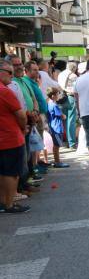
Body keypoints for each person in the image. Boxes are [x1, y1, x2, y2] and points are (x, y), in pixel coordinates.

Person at [0, 59, 29, 213]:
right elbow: (21, 115)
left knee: (2, 172)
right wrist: (23, 128)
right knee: (12, 173)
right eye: (10, 73)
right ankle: (9, 204)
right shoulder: (5, 91)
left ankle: (3, 202)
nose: (12, 76)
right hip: (10, 138)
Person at [45, 87, 68, 168]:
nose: (58, 95)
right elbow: (61, 115)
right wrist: (64, 116)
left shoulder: (49, 103)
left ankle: (57, 161)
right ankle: (57, 162)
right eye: (57, 94)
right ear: (53, 96)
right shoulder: (54, 105)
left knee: (56, 145)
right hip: (56, 128)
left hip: (54, 127)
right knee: (57, 146)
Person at [57, 62, 79, 149]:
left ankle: (65, 141)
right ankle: (72, 143)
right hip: (70, 98)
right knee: (71, 121)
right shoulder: (73, 76)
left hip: (61, 98)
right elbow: (75, 89)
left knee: (64, 120)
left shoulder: (60, 74)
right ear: (74, 68)